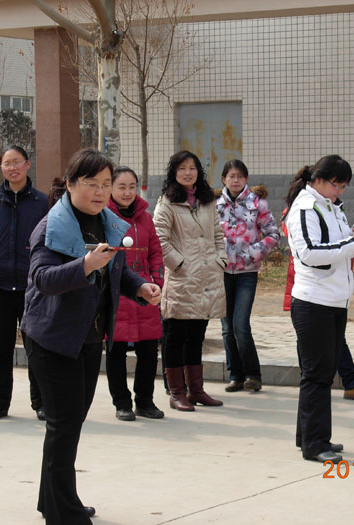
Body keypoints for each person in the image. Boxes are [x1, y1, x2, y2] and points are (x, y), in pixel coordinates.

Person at [20, 149, 161, 523]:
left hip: (88, 336)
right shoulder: (51, 227)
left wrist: (139, 286)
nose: (100, 192)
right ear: (69, 184)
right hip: (52, 337)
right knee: (64, 424)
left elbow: (115, 270)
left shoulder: (107, 222)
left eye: (105, 184)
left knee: (70, 423)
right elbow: (43, 279)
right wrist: (84, 265)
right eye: (91, 184)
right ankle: (63, 512)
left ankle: (52, 499)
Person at [284, 154, 354, 462]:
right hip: (313, 301)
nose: (340, 191)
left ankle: (309, 436)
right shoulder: (304, 208)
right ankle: (315, 444)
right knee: (316, 375)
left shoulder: (330, 206)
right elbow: (310, 253)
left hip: (335, 300)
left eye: (344, 186)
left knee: (322, 374)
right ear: (319, 180)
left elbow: (336, 243)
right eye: (337, 185)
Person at [0, 145, 48, 421]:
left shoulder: (42, 202)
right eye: (7, 163)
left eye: (17, 162)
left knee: (36, 349)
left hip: (31, 290)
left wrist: (41, 266)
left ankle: (41, 403)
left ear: (27, 164)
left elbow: (52, 238)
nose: (12, 167)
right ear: (1, 167)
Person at [153, 150, 226, 412]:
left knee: (197, 336)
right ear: (174, 172)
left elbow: (218, 234)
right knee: (175, 337)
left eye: (192, 168)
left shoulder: (207, 200)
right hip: (182, 280)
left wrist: (221, 259)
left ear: (199, 172)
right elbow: (159, 239)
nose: (187, 173)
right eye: (182, 168)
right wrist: (180, 264)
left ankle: (196, 390)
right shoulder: (167, 202)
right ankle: (176, 392)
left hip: (207, 278)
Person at [281, 209, 354, 400]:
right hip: (309, 286)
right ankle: (343, 381)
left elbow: (338, 239)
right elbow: (306, 244)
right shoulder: (301, 209)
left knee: (334, 339)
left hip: (333, 285)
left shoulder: (333, 207)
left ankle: (348, 381)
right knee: (310, 340)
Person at [105, 166, 165, 421]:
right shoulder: (104, 216)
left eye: (132, 187)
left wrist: (157, 281)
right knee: (116, 352)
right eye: (121, 187)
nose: (127, 192)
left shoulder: (145, 218)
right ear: (110, 188)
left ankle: (145, 401)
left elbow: (155, 252)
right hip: (117, 293)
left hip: (145, 292)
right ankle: (122, 403)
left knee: (149, 351)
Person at [216, 160, 279, 393]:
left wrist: (253, 252)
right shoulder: (214, 205)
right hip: (222, 272)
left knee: (240, 325)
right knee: (226, 327)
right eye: (231, 176)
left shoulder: (257, 204)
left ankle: (253, 375)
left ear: (246, 179)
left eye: (240, 176)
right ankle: (235, 375)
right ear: (224, 179)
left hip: (247, 273)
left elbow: (273, 234)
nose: (235, 180)